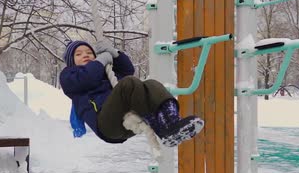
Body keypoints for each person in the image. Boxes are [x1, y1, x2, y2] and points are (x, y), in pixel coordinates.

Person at [59, 39, 204, 147]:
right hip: (106, 125)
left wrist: (115, 54)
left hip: (128, 123)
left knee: (152, 84)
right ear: (71, 61)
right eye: (78, 54)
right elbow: (87, 78)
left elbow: (128, 70)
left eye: (90, 52)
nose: (86, 55)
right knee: (129, 83)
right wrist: (100, 61)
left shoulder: (104, 72)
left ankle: (172, 124)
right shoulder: (68, 76)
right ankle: (157, 124)